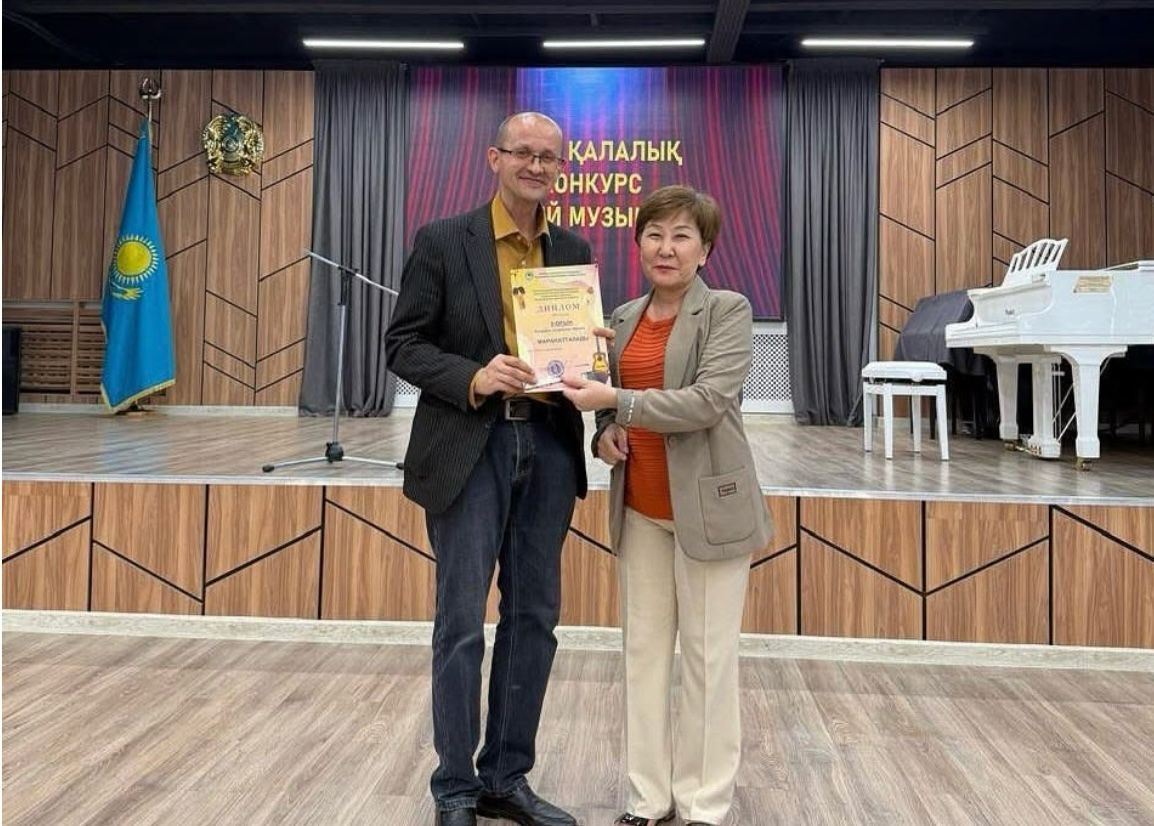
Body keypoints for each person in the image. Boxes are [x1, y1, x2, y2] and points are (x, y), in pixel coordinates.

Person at [385, 112, 593, 826]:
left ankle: (506, 777)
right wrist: (474, 375)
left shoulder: (571, 249)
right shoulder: (444, 240)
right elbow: (404, 344)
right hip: (469, 446)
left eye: (549, 157)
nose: (537, 166)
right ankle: (455, 788)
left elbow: (576, 356)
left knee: (534, 618)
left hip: (550, 447)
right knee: (461, 623)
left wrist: (589, 359)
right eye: (523, 153)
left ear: (560, 168)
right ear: (494, 158)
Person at [562, 185, 773, 826]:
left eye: (682, 236)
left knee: (708, 662)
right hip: (640, 511)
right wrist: (604, 433)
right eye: (654, 234)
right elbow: (608, 408)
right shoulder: (623, 317)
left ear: (705, 250)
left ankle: (704, 804)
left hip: (707, 513)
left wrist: (614, 405)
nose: (666, 247)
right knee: (644, 657)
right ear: (638, 245)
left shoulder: (727, 310)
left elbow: (707, 402)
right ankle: (647, 799)